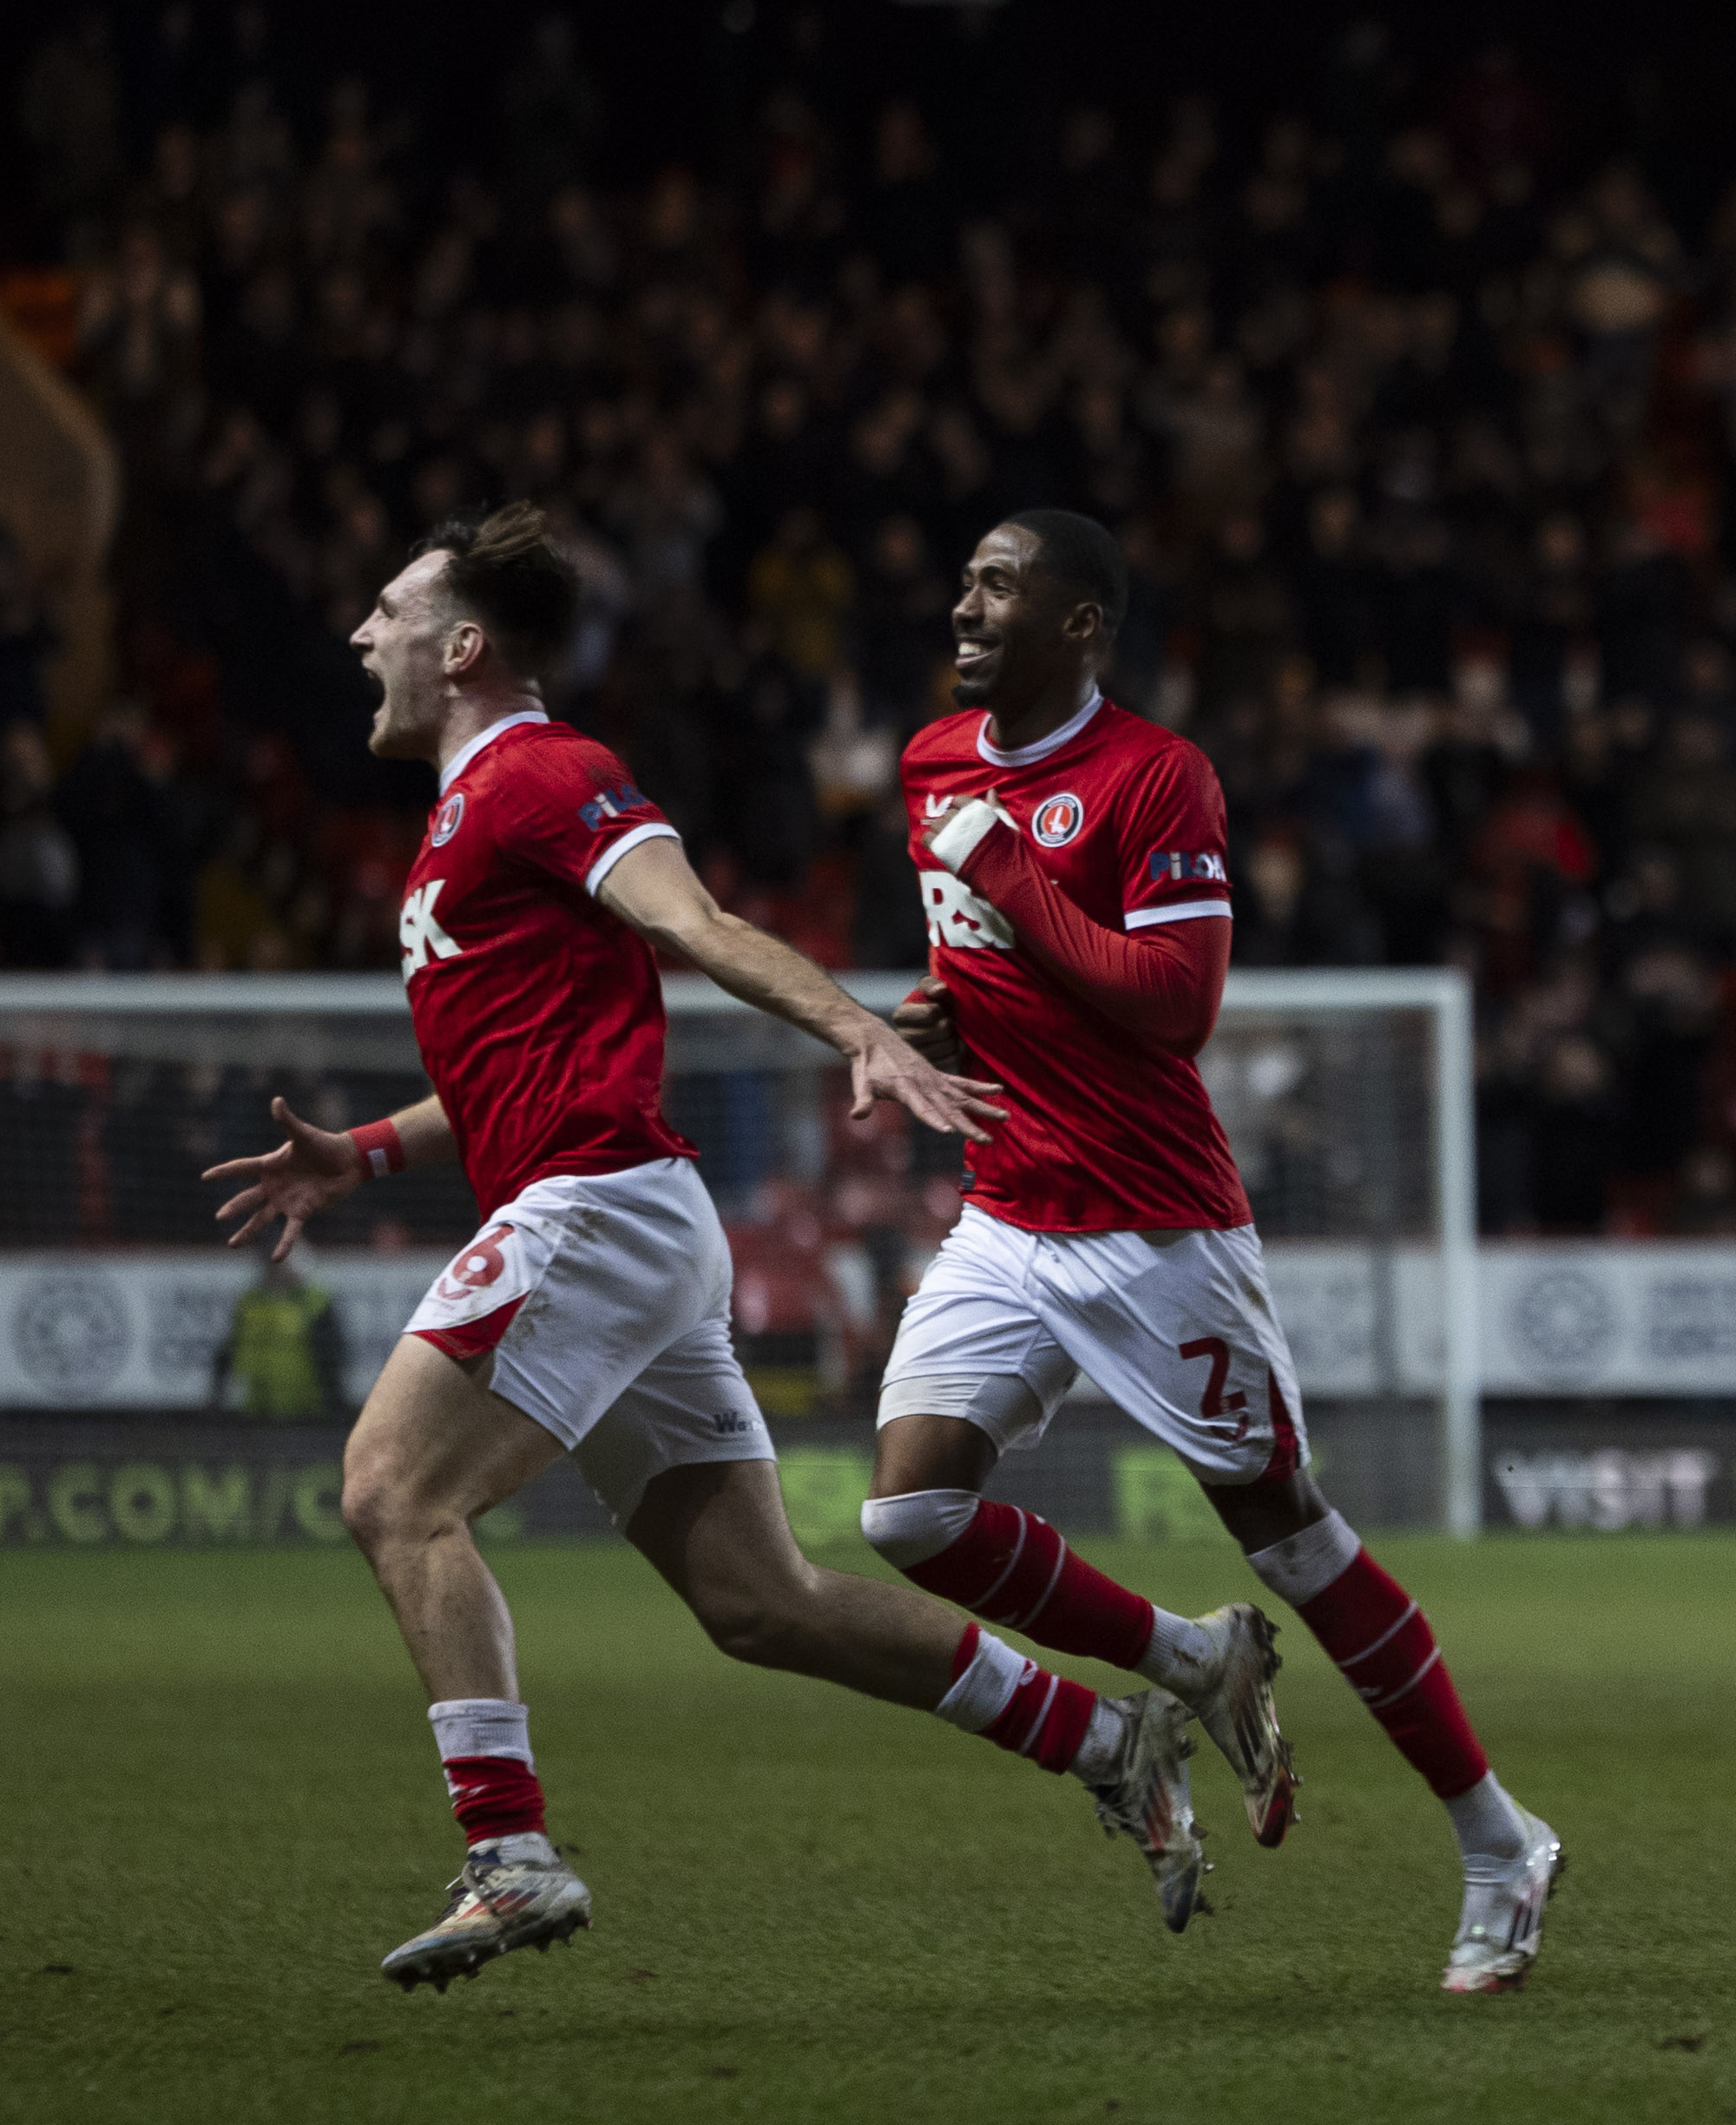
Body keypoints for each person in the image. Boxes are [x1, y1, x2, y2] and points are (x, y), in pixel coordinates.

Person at [202, 503, 1213, 1992]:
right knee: (762, 1603)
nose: (363, 634)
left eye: (389, 610)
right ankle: (1105, 1735)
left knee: (387, 1490)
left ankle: (510, 1853)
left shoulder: (546, 773)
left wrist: (859, 1027)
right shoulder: (463, 812)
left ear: (464, 646)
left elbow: (699, 923)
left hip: (597, 1208)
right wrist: (361, 1152)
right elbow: (507, 1062)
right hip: (614, 1215)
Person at [869, 509, 1561, 1993]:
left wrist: (1013, 876)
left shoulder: (1152, 773)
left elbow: (1173, 1003)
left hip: (1152, 1223)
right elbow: (976, 965)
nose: (965, 599)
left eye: (999, 581)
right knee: (908, 1516)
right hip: (1008, 1210)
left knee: (1295, 1539)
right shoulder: (932, 764)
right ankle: (1186, 1658)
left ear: (1081, 624)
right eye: (967, 574)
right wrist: (916, 1027)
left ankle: (1502, 1844)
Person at [215, 1251, 352, 1419]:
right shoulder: (249, 1301)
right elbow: (229, 1351)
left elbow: (331, 1358)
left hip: (305, 1410)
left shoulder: (315, 1302)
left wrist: (335, 1404)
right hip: (256, 1410)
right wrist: (217, 1396)